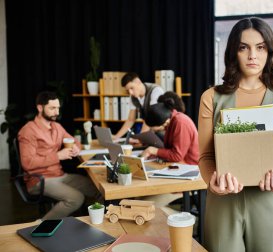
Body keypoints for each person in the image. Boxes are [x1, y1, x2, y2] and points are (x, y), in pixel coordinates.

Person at [198, 17, 273, 252]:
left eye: (260, 47)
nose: (253, 55)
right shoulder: (211, 98)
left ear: (269, 51)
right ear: (234, 52)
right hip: (223, 203)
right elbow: (205, 156)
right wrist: (213, 184)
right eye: (244, 47)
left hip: (270, 203)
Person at [18, 91, 98, 219]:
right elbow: (27, 163)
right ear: (40, 108)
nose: (57, 112)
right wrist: (58, 156)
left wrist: (76, 148)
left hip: (60, 175)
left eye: (58, 108)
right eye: (52, 108)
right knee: (76, 198)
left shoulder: (56, 127)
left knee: (97, 189)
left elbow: (74, 141)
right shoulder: (28, 131)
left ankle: (98, 222)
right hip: (39, 179)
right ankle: (40, 227)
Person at [140, 93, 198, 165]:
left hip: (191, 166)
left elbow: (177, 156)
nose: (152, 130)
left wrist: (153, 150)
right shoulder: (171, 121)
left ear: (164, 123)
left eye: (153, 128)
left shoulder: (181, 122)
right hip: (179, 164)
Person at [114, 72, 164, 138]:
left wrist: (140, 138)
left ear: (138, 82)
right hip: (152, 132)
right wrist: (116, 137)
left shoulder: (155, 91)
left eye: (131, 88)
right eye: (128, 90)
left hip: (164, 132)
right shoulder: (133, 97)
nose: (130, 93)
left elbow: (151, 117)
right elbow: (130, 120)